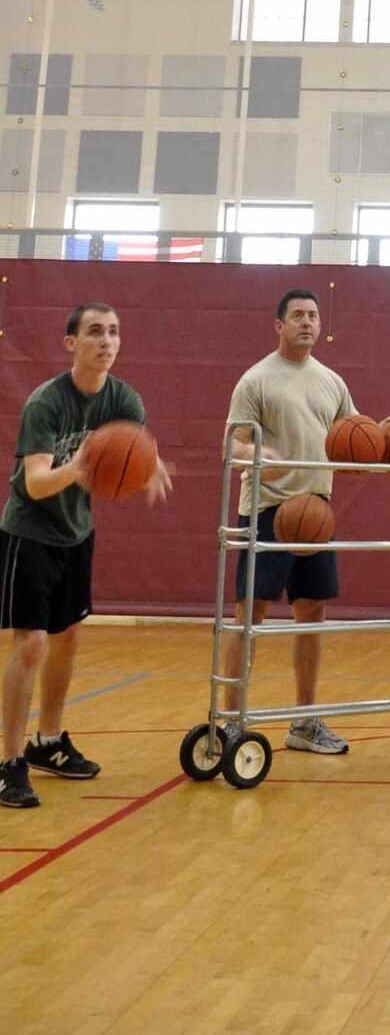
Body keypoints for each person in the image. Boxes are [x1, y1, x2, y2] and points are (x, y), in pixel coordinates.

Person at [1, 302, 171, 811]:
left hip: (77, 533)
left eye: (115, 332)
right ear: (70, 343)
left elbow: (133, 448)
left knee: (68, 640)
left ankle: (47, 743)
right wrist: (77, 467)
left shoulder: (124, 400)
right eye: (95, 331)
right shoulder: (46, 403)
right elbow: (34, 482)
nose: (107, 340)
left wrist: (151, 464)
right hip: (29, 532)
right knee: (30, 644)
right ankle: (9, 762)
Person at [221, 288, 358, 755]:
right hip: (267, 510)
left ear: (321, 326)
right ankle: (232, 722)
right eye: (297, 315)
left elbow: (352, 439)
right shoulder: (256, 380)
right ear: (278, 325)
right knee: (249, 615)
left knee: (312, 613)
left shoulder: (333, 382)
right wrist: (258, 454)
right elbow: (233, 445)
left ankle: (304, 721)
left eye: (313, 316)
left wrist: (386, 444)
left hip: (315, 511)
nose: (307, 322)